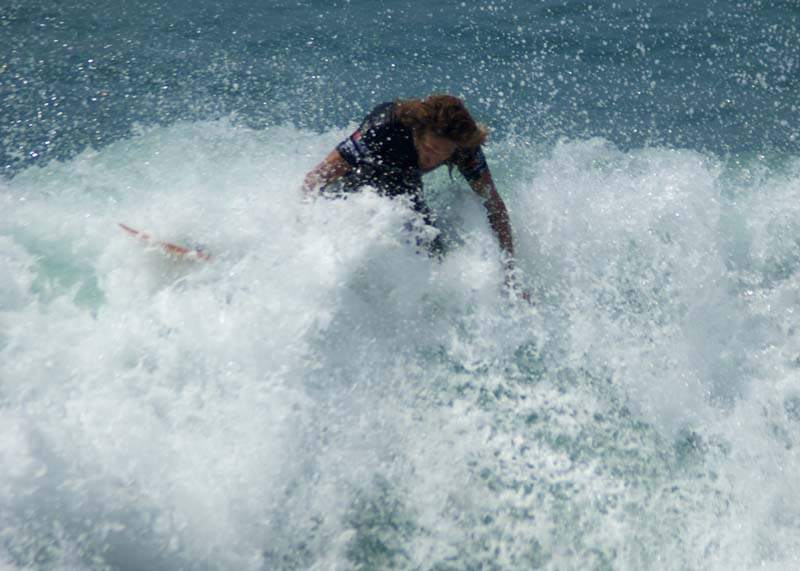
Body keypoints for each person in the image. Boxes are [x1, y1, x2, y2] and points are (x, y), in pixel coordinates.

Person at [303, 94, 525, 297]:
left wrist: (509, 272)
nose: (431, 159)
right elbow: (317, 177)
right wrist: (302, 227)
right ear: (417, 133)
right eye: (428, 149)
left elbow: (494, 204)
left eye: (442, 154)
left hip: (406, 180)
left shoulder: (465, 148)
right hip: (363, 175)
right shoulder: (385, 126)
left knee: (433, 250)